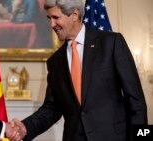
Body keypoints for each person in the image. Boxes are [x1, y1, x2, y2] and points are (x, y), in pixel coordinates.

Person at [11, 0, 148, 141]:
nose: (52, 25)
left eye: (56, 18)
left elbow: (136, 101)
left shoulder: (111, 43)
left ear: (74, 14)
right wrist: (24, 127)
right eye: (49, 19)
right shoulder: (55, 61)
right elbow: (51, 108)